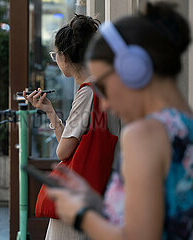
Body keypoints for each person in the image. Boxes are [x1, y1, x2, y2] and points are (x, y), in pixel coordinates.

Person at [47, 2, 193, 239]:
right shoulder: (181, 127)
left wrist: (81, 214)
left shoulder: (146, 135)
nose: (104, 102)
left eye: (106, 79)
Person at [23, 14, 121, 240]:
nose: (55, 60)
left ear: (64, 57)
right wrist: (50, 111)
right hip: (103, 195)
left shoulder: (87, 92)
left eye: (55, 55)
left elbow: (63, 151)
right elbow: (72, 142)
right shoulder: (105, 88)